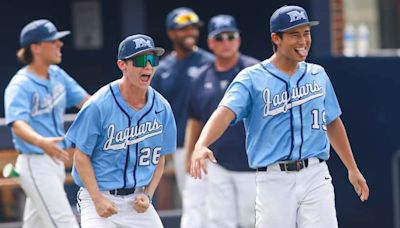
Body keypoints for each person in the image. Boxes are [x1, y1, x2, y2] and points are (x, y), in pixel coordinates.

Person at [190, 5, 369, 228]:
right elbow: (224, 113)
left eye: (306, 33)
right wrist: (202, 144)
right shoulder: (251, 77)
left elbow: (332, 121)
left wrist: (352, 168)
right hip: (274, 177)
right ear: (276, 38)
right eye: (295, 34)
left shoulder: (317, 74)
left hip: (315, 172)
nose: (303, 41)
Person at [65, 34, 177, 228]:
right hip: (99, 196)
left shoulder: (162, 106)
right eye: (141, 60)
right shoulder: (98, 105)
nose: (148, 66)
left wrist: (148, 194)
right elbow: (81, 157)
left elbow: (160, 158)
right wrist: (97, 199)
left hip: (137, 200)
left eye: (152, 59)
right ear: (122, 65)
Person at [4, 19, 90, 228]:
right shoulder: (20, 84)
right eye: (53, 41)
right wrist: (41, 141)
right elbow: (17, 123)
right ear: (36, 48)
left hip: (55, 161)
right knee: (64, 223)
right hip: (35, 161)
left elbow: (87, 103)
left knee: (36, 224)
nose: (59, 44)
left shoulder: (57, 75)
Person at [186, 14, 258, 228]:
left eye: (230, 36)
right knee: (219, 221)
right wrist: (191, 154)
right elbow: (194, 119)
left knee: (253, 221)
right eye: (219, 38)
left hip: (252, 162)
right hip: (216, 163)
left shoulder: (254, 71)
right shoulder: (201, 76)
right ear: (210, 43)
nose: (225, 42)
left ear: (238, 39)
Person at [151, 7, 213, 228]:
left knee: (215, 204)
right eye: (183, 28)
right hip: (179, 147)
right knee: (192, 200)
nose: (190, 32)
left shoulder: (209, 62)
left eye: (193, 28)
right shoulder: (163, 69)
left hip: (212, 145)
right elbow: (154, 110)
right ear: (171, 33)